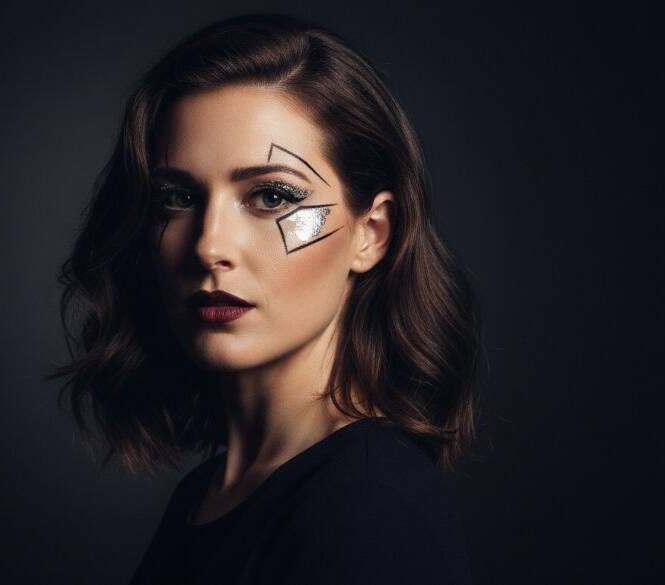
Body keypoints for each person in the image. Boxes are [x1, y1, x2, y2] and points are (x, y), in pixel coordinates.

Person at [47, 12, 483, 585]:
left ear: (372, 234)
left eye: (272, 196)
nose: (209, 246)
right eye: (177, 198)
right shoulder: (210, 493)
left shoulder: (367, 507)